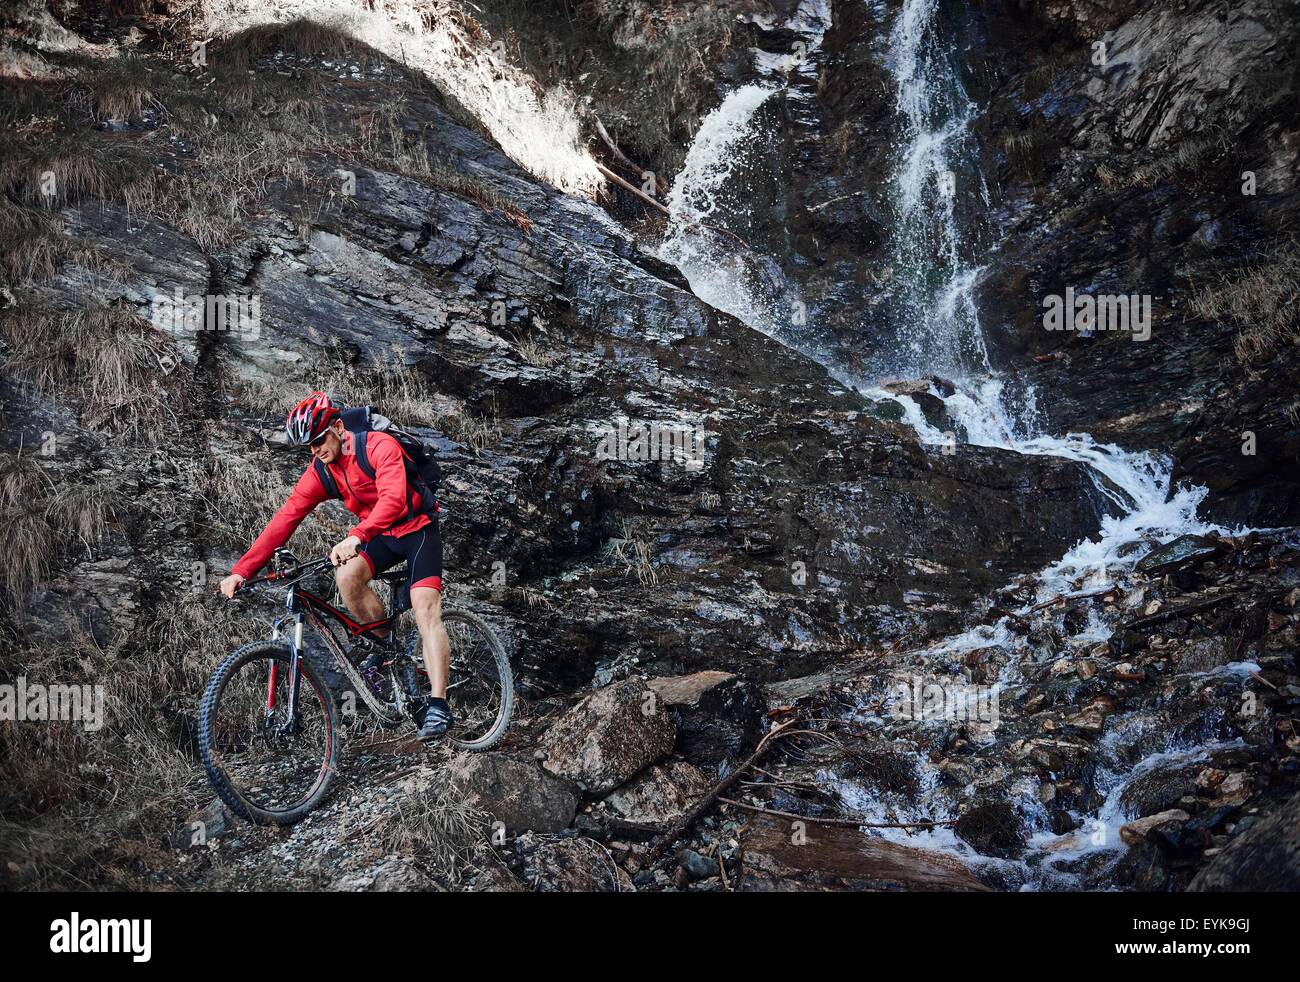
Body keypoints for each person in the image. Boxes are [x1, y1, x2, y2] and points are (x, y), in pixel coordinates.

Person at [218, 392, 452, 742]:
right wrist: (242, 570)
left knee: (424, 608)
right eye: (308, 447)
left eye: (318, 441)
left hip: (417, 529)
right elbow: (286, 517)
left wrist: (356, 536)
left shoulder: (378, 447)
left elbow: (393, 499)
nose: (315, 451)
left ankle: (438, 706)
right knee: (347, 576)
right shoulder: (322, 471)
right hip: (379, 535)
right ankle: (384, 648)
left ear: (339, 428)